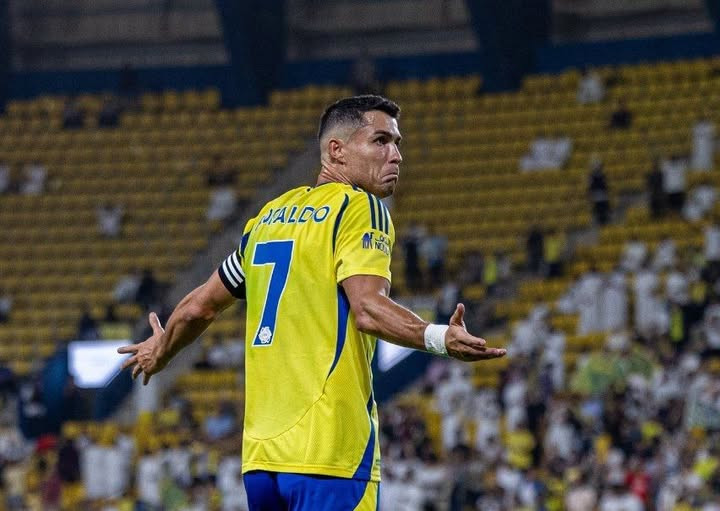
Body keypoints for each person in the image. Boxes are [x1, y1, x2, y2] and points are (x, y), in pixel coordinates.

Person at [118, 95, 506, 510]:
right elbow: (367, 309)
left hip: (262, 462)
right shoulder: (360, 208)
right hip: (329, 454)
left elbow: (201, 307)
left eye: (397, 143)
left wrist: (161, 350)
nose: (395, 155)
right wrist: (438, 338)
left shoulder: (269, 218)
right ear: (336, 150)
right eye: (380, 141)